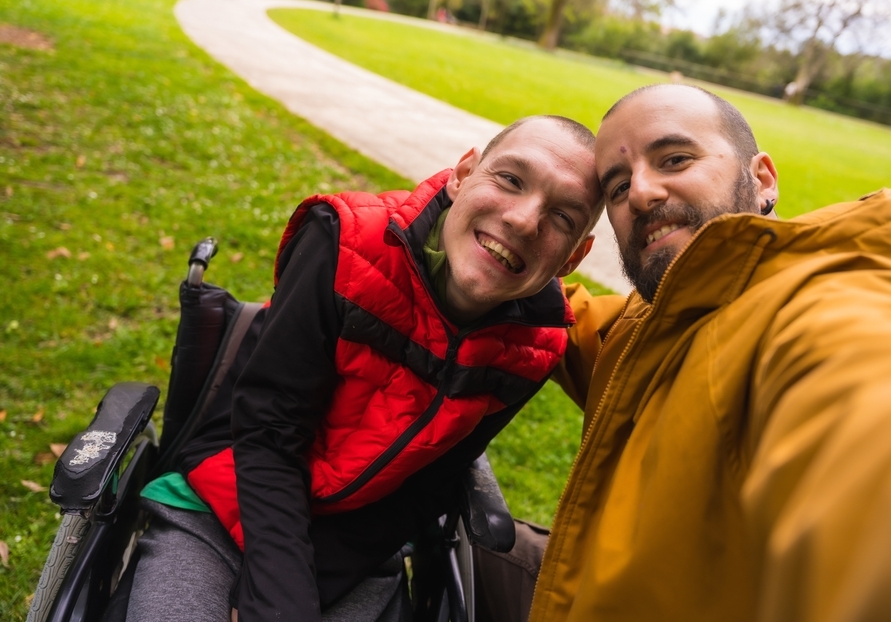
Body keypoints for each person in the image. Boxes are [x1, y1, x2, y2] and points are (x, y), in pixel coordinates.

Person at [526, 84, 891, 622]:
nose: (640, 193)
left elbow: (886, 418)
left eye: (675, 159)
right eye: (615, 187)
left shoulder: (815, 309)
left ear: (762, 178)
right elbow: (576, 322)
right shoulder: (667, 318)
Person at [124, 115, 604, 622]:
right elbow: (267, 432)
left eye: (563, 218)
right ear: (463, 174)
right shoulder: (346, 243)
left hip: (356, 546)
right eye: (510, 179)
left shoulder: (534, 348)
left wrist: (309, 588)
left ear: (575, 255)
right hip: (225, 499)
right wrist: (279, 600)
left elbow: (429, 487)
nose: (525, 220)